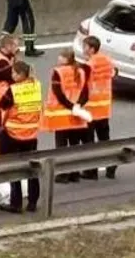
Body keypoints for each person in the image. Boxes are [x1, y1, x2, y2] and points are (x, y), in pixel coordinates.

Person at [0, 60, 42, 213]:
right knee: (32, 169)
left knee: (14, 169)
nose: (12, 75)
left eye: (14, 73)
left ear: (21, 74)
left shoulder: (13, 90)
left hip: (14, 134)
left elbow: (2, 105)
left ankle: (16, 203)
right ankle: (33, 202)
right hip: (32, 134)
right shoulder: (37, 85)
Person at [42, 48, 90, 183]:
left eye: (61, 57)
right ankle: (74, 173)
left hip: (61, 115)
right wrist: (78, 106)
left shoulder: (58, 72)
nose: (58, 59)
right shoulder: (81, 71)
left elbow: (59, 94)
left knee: (61, 147)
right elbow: (85, 92)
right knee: (74, 145)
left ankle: (62, 174)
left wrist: (70, 106)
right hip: (76, 115)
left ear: (66, 59)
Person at [79, 36, 117, 180]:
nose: (84, 49)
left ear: (92, 49)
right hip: (104, 106)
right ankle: (112, 163)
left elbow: (83, 86)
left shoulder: (89, 65)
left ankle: (91, 171)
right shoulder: (107, 60)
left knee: (89, 141)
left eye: (85, 47)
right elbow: (114, 73)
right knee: (104, 139)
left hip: (91, 109)